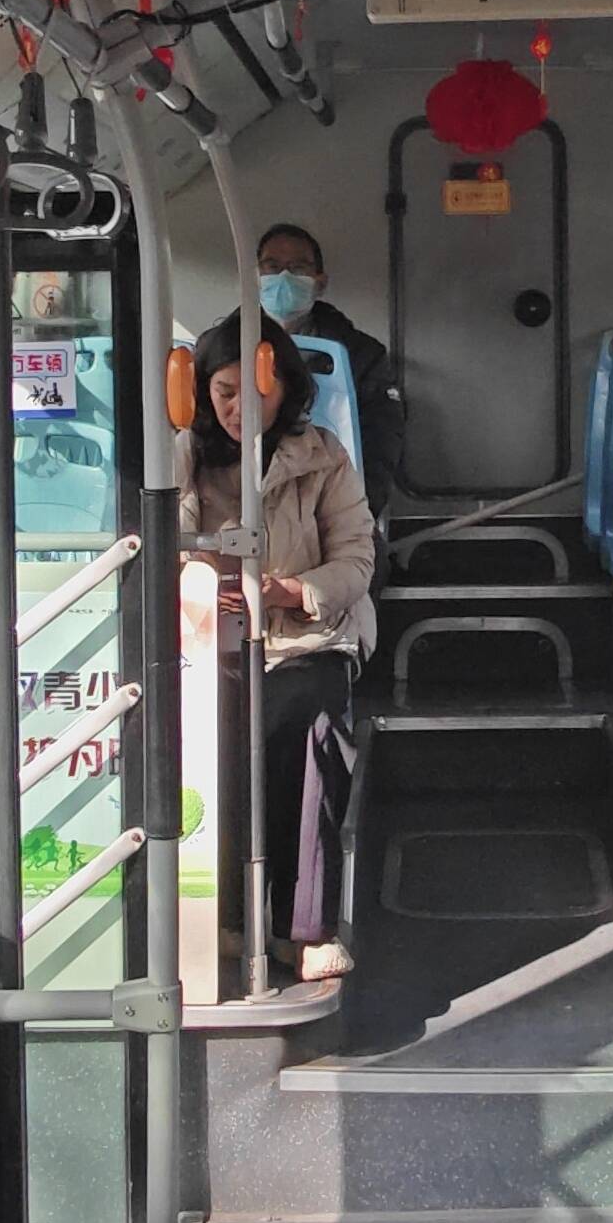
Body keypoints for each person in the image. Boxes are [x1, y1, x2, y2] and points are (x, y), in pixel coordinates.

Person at [187, 312, 376, 984]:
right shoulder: (184, 456)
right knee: (210, 734)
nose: (240, 408)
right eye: (224, 392)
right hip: (210, 641)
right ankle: (226, 915)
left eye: (256, 391)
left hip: (307, 638)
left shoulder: (322, 456)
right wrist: (203, 582)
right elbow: (168, 539)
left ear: (286, 387)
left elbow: (355, 560)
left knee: (309, 722)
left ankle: (307, 927)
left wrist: (289, 591)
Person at [255, 222, 405, 512]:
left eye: (297, 268)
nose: (284, 277)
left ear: (319, 283)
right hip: (247, 503)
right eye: (272, 267)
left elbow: (380, 444)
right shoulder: (222, 350)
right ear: (255, 279)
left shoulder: (362, 355)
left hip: (333, 500)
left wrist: (356, 515)